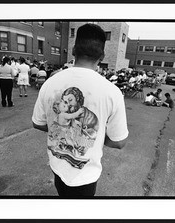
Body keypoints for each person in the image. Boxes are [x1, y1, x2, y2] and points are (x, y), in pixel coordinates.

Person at [32, 23, 129, 197]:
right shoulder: (112, 92)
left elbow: (37, 123)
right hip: (85, 175)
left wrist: (61, 128)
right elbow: (119, 141)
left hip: (57, 164)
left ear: (74, 50)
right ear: (103, 55)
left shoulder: (51, 82)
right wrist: (97, 138)